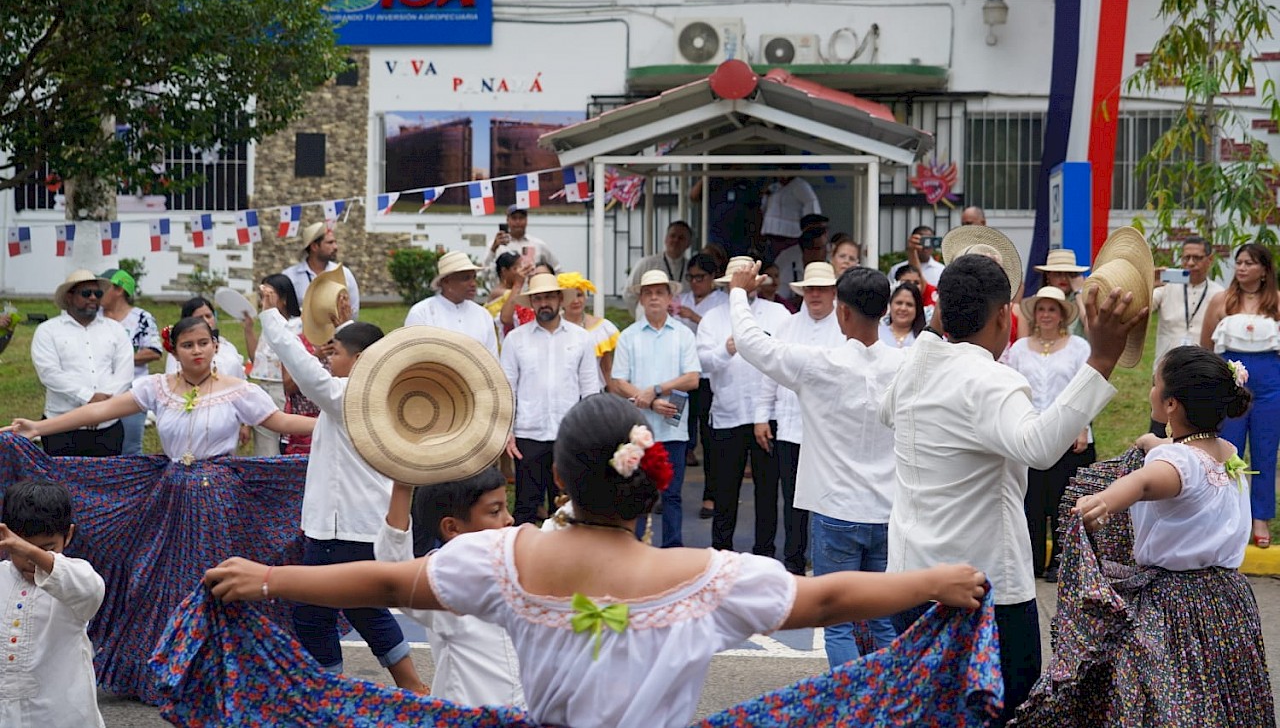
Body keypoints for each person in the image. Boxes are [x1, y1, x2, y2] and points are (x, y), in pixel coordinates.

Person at [205, 392, 990, 728]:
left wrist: (268, 579)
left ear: (558, 478)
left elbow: (382, 579)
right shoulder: (712, 579)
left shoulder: (505, 561)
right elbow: (827, 599)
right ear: (653, 483)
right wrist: (933, 582)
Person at [879, 252, 1146, 723]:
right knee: (1005, 713)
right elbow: (1039, 447)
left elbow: (886, 410)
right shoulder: (991, 379)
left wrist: (946, 308)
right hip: (984, 590)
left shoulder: (914, 367)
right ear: (1004, 315)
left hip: (910, 580)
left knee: (926, 712)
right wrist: (1101, 359)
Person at [2, 314, 314, 704]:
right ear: (174, 350)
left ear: (215, 346)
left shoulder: (239, 391)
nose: (197, 351)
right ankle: (166, 672)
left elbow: (280, 421)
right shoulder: (157, 388)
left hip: (218, 500)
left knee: (216, 581)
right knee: (163, 581)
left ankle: (220, 674)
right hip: (169, 496)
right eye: (188, 345)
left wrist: (334, 426)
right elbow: (101, 411)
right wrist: (39, 428)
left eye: (203, 343)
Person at [1015, 345, 1274, 726]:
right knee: (1218, 693)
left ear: (1170, 404)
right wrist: (1153, 442)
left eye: (1154, 384)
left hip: (1175, 604)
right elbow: (1178, 456)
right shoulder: (1225, 452)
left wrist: (1103, 501)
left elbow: (1145, 482)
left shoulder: (1175, 463)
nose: (1150, 390)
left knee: (1167, 697)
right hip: (1228, 600)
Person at [255, 284, 427, 693]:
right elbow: (356, 352)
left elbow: (303, 368)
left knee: (316, 612)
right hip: (357, 523)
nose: (327, 359)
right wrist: (344, 326)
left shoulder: (350, 393)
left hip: (344, 526)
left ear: (361, 360)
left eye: (335, 353)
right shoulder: (382, 392)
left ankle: (329, 691)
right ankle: (409, 688)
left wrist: (271, 315)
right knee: (361, 609)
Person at [732, 262, 905, 667]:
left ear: (841, 312)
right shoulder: (905, 365)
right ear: (885, 311)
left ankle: (851, 698)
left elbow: (751, 343)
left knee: (838, 624)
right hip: (887, 511)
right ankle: (888, 695)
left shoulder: (818, 364)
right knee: (882, 619)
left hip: (835, 510)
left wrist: (739, 292)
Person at [375, 469, 525, 707]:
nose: (509, 519)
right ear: (452, 528)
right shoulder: (445, 584)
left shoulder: (521, 568)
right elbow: (394, 568)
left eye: (506, 508)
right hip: (467, 717)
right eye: (495, 511)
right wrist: (402, 485)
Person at [754, 261, 843, 577]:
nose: (815, 295)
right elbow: (769, 374)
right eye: (810, 289)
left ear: (833, 292)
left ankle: (826, 562)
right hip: (790, 427)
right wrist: (761, 417)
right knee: (793, 499)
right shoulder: (787, 326)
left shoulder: (845, 327)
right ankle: (793, 561)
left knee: (829, 498)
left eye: (822, 289)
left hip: (830, 431)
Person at [697, 256, 790, 557]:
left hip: (769, 415)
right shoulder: (712, 318)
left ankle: (765, 554)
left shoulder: (778, 314)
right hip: (728, 414)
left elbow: (787, 357)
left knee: (767, 492)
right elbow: (702, 363)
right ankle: (721, 554)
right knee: (725, 491)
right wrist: (725, 350)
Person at [1003, 286, 1093, 583]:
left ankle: (1061, 561)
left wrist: (1082, 427)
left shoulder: (1078, 347)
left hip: (1067, 433)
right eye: (1041, 309)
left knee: (1062, 500)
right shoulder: (1019, 348)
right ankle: (1032, 560)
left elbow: (1085, 388)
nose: (1046, 315)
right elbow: (1011, 387)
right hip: (1028, 431)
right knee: (1031, 501)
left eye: (1052, 309)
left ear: (1062, 315)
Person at [0, 480, 105, 728]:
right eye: (21, 549)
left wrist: (28, 550)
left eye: (46, 549)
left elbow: (92, 589)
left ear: (68, 535)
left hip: (62, 714)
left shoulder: (74, 579)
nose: (32, 560)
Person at [502, 273, 601, 526]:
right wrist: (507, 431)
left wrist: (588, 435)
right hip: (528, 434)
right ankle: (523, 553)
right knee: (525, 507)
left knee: (567, 510)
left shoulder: (581, 338)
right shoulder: (516, 339)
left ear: (559, 299)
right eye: (538, 298)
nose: (544, 303)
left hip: (568, 435)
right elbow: (507, 389)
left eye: (549, 297)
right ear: (531, 303)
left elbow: (590, 390)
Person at [611, 270, 700, 547]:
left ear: (670, 297)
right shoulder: (629, 336)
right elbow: (618, 382)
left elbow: (692, 379)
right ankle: (636, 549)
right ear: (640, 298)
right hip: (639, 430)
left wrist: (658, 389)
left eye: (659, 292)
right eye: (648, 293)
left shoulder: (683, 334)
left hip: (674, 428)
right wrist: (649, 400)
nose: (653, 298)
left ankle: (672, 549)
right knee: (638, 494)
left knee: (672, 494)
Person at [1199, 242, 1280, 548]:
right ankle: (1225, 515)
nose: (1242, 268)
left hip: (1270, 387)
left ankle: (1260, 518)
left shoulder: (1277, 302)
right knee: (1226, 450)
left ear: (1264, 270)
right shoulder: (1221, 301)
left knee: (1265, 452)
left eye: (1250, 263)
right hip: (1230, 385)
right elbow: (1205, 347)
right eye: (1239, 262)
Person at [30, 270, 133, 457]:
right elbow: (49, 373)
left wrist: (102, 409)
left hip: (107, 426)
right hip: (61, 426)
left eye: (98, 294)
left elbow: (124, 374)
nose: (93, 298)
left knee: (106, 475)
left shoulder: (115, 330)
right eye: (86, 293)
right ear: (69, 297)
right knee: (61, 476)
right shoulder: (47, 331)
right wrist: (88, 399)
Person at [1148, 236, 1222, 434]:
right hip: (1166, 370)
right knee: (1159, 429)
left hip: (1200, 372)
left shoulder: (1219, 294)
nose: (1190, 263)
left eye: (1197, 258)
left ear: (1210, 259)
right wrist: (1149, 283)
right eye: (1186, 257)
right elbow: (1141, 308)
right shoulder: (1166, 287)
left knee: (1196, 431)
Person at [672, 253, 726, 476]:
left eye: (700, 277)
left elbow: (723, 332)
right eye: (691, 277)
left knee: (705, 423)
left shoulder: (722, 301)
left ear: (712, 277)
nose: (695, 283)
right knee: (675, 420)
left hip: (706, 374)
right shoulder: (681, 299)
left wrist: (694, 317)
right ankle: (680, 455)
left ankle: (711, 482)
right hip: (680, 373)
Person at [99, 268, 162, 456]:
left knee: (130, 448)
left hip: (132, 392)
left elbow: (154, 351)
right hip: (99, 392)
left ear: (119, 290)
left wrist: (120, 359)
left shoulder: (141, 318)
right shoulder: (94, 317)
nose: (96, 293)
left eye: (103, 287)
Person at [241, 274, 304, 457]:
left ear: (284, 299)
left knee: (287, 441)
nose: (264, 300)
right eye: (262, 296)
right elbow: (257, 359)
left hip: (284, 389)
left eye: (269, 295)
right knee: (265, 445)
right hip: (263, 386)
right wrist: (248, 330)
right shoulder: (268, 322)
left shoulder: (297, 325)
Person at [404, 250, 499, 358]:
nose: (473, 284)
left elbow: (492, 360)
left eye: (474, 277)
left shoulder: (483, 315)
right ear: (446, 282)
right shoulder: (422, 313)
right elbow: (412, 356)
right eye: (465, 278)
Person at [283, 222, 361, 318]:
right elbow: (284, 313)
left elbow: (353, 311)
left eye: (335, 242)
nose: (335, 247)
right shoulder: (290, 276)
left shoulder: (344, 274)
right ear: (314, 246)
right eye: (330, 243)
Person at [558, 271, 620, 386]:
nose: (576, 301)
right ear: (561, 300)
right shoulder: (553, 328)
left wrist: (612, 395)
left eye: (579, 295)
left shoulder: (601, 328)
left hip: (595, 393)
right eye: (570, 297)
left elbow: (607, 369)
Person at [165, 297, 246, 380]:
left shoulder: (228, 346)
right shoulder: (181, 350)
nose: (206, 321)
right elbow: (174, 378)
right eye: (199, 318)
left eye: (208, 316)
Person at [623, 220, 693, 315]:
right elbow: (629, 293)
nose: (676, 240)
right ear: (666, 239)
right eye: (672, 236)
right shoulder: (646, 263)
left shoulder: (691, 268)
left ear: (688, 244)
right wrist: (641, 313)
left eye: (681, 238)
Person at [1023, 249, 1090, 338]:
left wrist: (1078, 292)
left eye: (1069, 274)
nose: (1063, 278)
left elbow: (1091, 329)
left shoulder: (1083, 300)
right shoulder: (1036, 300)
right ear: (1048, 275)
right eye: (1058, 274)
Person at [482, 205, 560, 281]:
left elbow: (557, 270)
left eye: (521, 218)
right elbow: (484, 275)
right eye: (514, 218)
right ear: (507, 220)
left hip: (532, 288)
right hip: (505, 289)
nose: (518, 222)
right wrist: (493, 249)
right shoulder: (496, 245)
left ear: (526, 220)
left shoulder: (538, 245)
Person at [772, 214, 830, 309]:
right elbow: (778, 299)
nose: (826, 251)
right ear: (808, 250)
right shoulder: (786, 260)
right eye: (820, 248)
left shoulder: (833, 258)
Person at [762, 175, 821, 260]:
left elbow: (812, 206)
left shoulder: (801, 186)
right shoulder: (773, 187)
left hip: (792, 237)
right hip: (771, 236)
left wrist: (810, 228)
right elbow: (763, 207)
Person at [485, 251, 536, 337]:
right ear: (504, 271)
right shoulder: (499, 292)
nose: (520, 271)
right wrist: (518, 284)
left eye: (521, 266)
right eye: (515, 268)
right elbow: (506, 319)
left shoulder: (515, 292)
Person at [878, 282, 925, 349]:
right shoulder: (876, 334)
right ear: (890, 305)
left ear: (917, 309)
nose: (903, 308)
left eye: (909, 304)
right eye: (899, 303)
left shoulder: (923, 339)